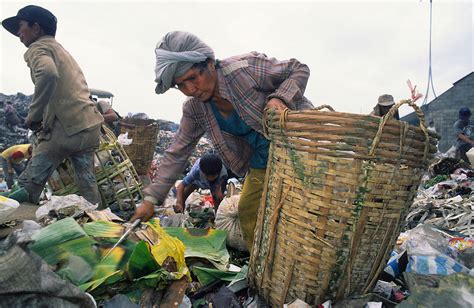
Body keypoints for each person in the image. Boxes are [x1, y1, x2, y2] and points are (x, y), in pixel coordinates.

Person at [131, 31, 313, 249]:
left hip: (298, 146)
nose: (190, 90)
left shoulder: (244, 70)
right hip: (262, 159)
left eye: (192, 78)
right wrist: (151, 200)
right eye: (180, 85)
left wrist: (279, 99)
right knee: (248, 211)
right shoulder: (195, 108)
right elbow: (178, 151)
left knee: (305, 210)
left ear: (209, 64)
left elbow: (298, 69)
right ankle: (265, 263)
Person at [2, 5, 104, 204]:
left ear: (36, 28)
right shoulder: (61, 50)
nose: (18, 33)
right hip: (89, 127)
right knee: (87, 184)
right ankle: (98, 220)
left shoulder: (38, 47)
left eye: (20, 26)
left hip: (66, 130)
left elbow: (48, 74)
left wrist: (34, 115)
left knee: (29, 183)